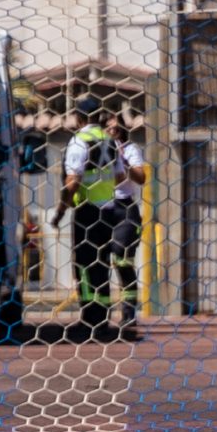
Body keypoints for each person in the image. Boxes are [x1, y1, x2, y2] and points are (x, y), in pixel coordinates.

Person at [50, 103, 147, 338]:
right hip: (109, 209)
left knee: (86, 267)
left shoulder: (79, 141)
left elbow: (73, 181)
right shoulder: (108, 141)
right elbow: (119, 176)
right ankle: (102, 319)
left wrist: (61, 209)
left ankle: (90, 318)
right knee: (101, 266)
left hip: (88, 210)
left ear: (78, 117)